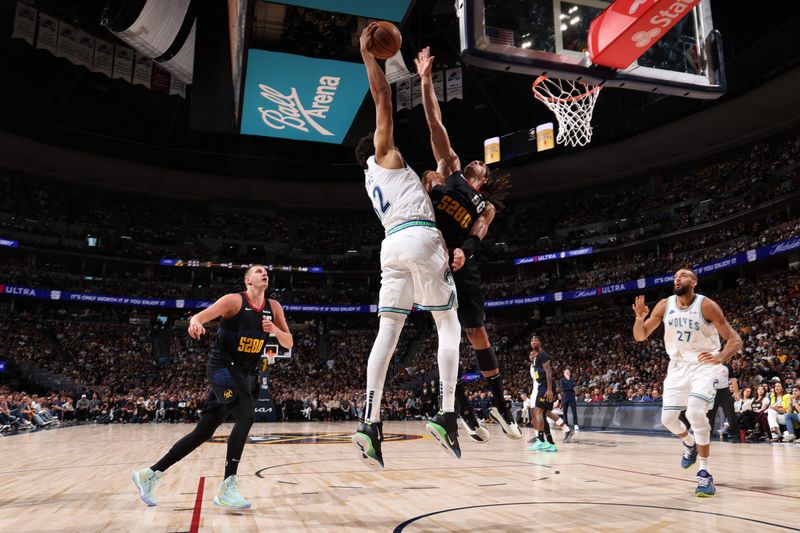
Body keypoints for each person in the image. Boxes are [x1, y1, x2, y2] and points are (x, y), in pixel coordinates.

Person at [352, 23, 462, 470]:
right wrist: (367, 55)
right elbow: (382, 100)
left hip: (390, 246)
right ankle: (447, 413)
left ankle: (370, 421)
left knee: (388, 333)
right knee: (448, 324)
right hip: (419, 236)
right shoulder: (385, 156)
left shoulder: (371, 180)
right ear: (375, 151)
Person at [414, 46, 520, 444]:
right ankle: (459, 410)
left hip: (463, 261)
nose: (477, 162)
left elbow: (478, 233)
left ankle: (499, 405)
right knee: (449, 332)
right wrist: (425, 80)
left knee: (478, 334)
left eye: (483, 166)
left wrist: (466, 252)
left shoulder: (486, 206)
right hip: (436, 257)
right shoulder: (450, 170)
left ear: (485, 178)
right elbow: (434, 123)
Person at [132, 264, 293, 509]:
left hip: (245, 374)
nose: (264, 273)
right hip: (222, 368)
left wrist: (275, 331)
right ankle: (227, 486)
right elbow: (200, 316)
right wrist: (195, 323)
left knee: (203, 433)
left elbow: (289, 342)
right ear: (247, 280)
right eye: (258, 271)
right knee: (246, 414)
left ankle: (151, 473)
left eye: (265, 271)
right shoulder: (234, 301)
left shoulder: (275, 308)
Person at [632, 268, 742, 497]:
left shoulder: (706, 305)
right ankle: (689, 443)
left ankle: (705, 473)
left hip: (705, 366)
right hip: (678, 367)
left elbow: (735, 340)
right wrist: (640, 318)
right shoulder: (664, 304)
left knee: (694, 412)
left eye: (683, 275)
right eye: (675, 276)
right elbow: (640, 336)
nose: (677, 277)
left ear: (693, 282)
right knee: (668, 419)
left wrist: (720, 357)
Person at [527, 335, 572, 452]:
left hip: (544, 388)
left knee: (538, 412)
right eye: (532, 341)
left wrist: (549, 389)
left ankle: (541, 440)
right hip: (541, 387)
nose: (533, 342)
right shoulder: (536, 359)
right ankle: (550, 443)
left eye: (536, 340)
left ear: (540, 342)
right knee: (541, 414)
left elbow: (548, 372)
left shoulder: (542, 354)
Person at [706, 363, 741, 442]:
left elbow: (733, 379)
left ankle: (735, 436)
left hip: (725, 391)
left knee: (731, 414)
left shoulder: (727, 366)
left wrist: (737, 392)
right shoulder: (709, 365)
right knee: (710, 414)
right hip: (712, 391)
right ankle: (707, 436)